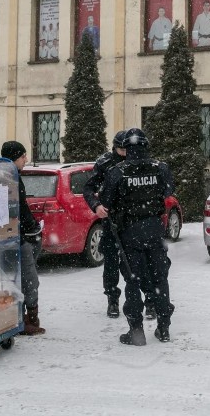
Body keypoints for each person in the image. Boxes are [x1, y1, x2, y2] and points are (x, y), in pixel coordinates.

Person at [95, 128, 175, 346]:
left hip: (129, 233)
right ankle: (164, 328)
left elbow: (106, 201)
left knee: (132, 280)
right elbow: (168, 191)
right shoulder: (161, 168)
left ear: (127, 149)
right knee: (160, 278)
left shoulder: (118, 171)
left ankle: (136, 331)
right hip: (155, 231)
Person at [1, 140, 46, 336]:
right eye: (22, 156)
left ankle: (15, 317)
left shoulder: (1, 175)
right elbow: (19, 208)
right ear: (13, 158)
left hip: (4, 240)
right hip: (16, 239)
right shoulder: (11, 178)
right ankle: (28, 319)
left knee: (13, 279)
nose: (26, 159)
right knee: (29, 279)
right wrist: (33, 227)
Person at [83, 130, 129, 318]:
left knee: (133, 264)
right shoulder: (105, 164)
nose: (125, 153)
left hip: (133, 221)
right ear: (115, 147)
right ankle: (112, 300)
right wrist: (96, 206)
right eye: (121, 149)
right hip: (111, 220)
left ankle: (141, 300)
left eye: (128, 149)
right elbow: (88, 188)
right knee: (111, 263)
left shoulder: (138, 162)